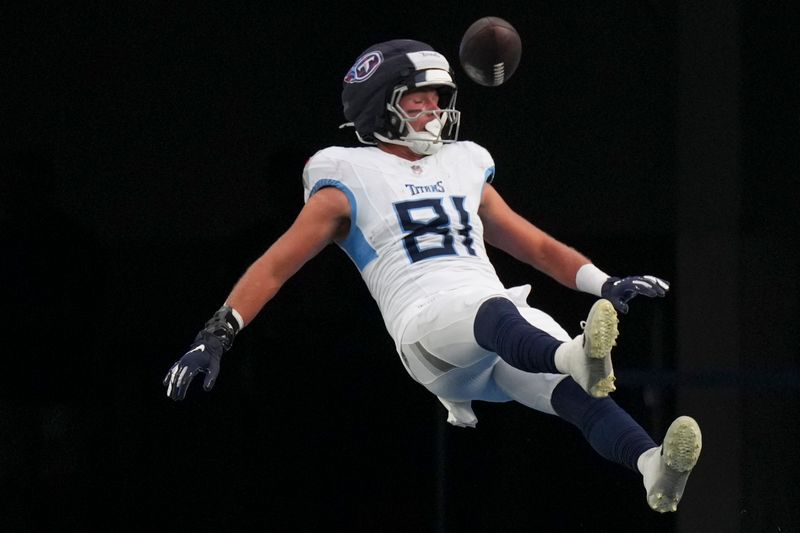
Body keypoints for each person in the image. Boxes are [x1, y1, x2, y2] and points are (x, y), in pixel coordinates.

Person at [163, 39, 701, 513]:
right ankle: (572, 355)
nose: (434, 111)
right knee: (499, 314)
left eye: (437, 99)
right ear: (381, 107)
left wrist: (604, 282)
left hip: (501, 327)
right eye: (417, 100)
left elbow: (535, 245)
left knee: (577, 392)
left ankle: (650, 465)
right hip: (426, 333)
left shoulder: (462, 164)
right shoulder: (346, 176)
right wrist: (217, 334)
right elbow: (276, 265)